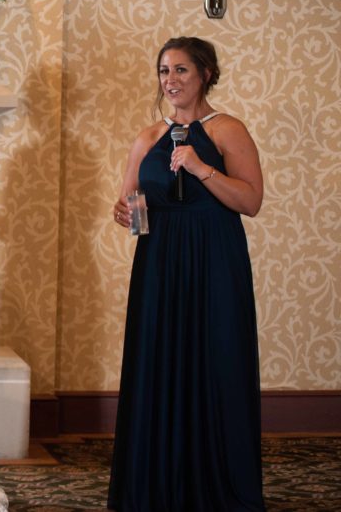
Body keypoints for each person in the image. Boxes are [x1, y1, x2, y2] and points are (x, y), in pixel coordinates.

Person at [107, 37, 265, 511]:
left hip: (215, 263)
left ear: (206, 75)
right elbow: (134, 209)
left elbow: (251, 202)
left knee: (217, 360)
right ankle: (156, 484)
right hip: (160, 264)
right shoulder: (148, 137)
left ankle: (218, 486)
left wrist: (201, 169)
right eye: (163, 71)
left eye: (180, 71)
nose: (170, 81)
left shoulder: (227, 130)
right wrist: (128, 212)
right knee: (158, 359)